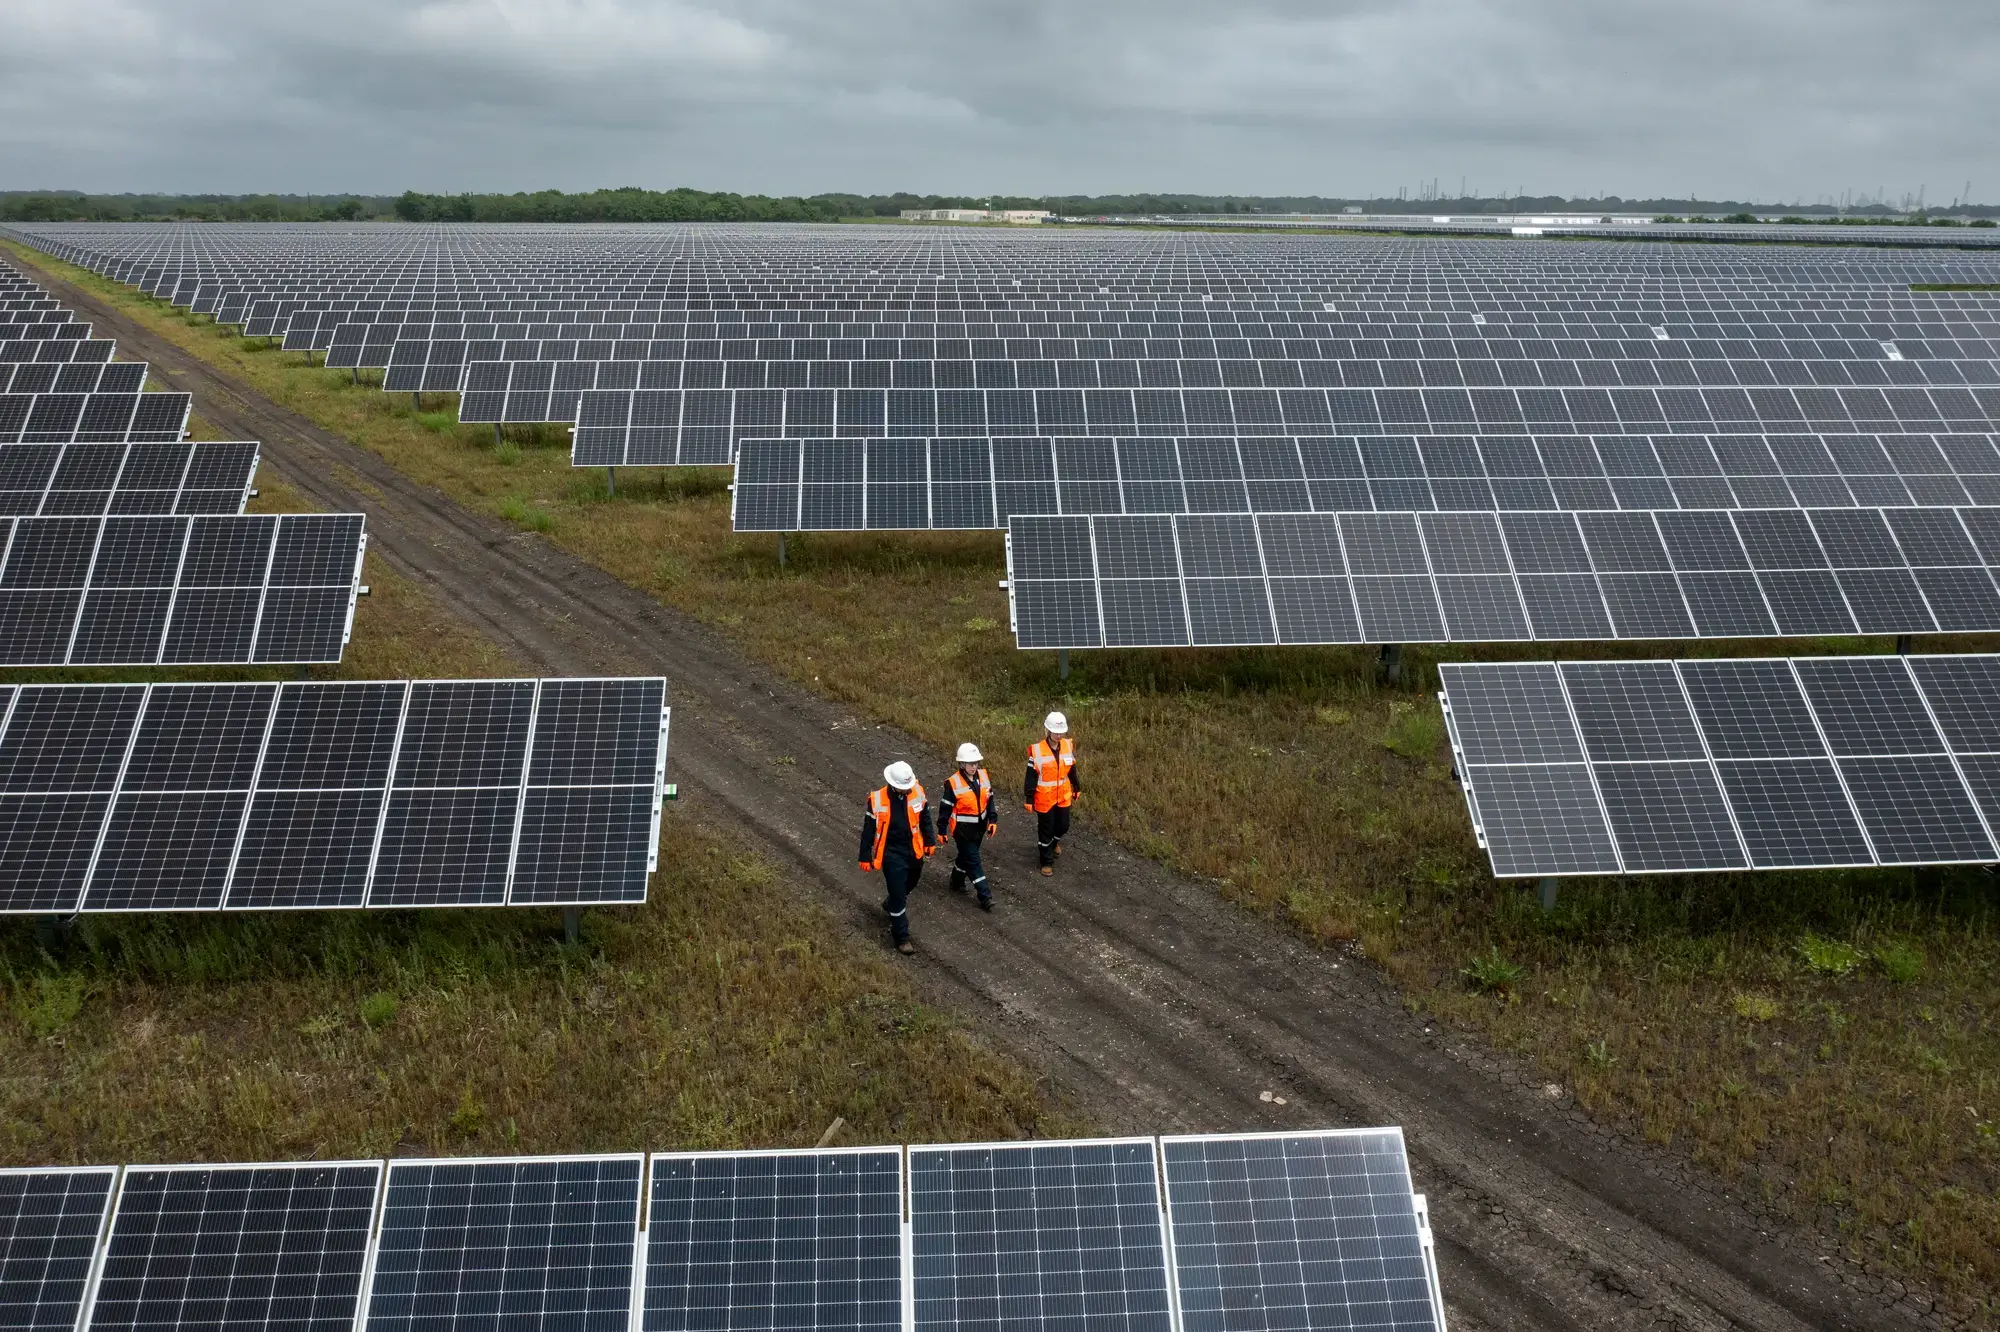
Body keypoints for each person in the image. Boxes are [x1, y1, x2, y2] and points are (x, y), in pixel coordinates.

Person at [858, 760, 937, 954]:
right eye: (903, 788)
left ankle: (891, 903)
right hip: (891, 853)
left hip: (913, 850)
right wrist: (865, 855)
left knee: (912, 881)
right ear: (893, 785)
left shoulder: (917, 791)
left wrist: (930, 841)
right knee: (898, 893)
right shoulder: (876, 800)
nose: (907, 791)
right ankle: (901, 937)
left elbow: (925, 818)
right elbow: (868, 830)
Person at [944, 742, 999, 910]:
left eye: (976, 763)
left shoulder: (983, 776)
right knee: (974, 862)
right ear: (962, 764)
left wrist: (993, 820)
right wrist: (941, 830)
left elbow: (989, 800)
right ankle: (985, 897)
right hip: (962, 832)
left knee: (966, 857)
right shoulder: (953, 783)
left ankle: (956, 880)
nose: (974, 767)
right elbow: (945, 808)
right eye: (970, 764)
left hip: (979, 829)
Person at [1023, 711, 1079, 876]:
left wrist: (1077, 787)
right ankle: (1046, 861)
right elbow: (1031, 777)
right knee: (1046, 830)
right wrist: (1029, 797)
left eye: (1061, 732)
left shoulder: (1068, 746)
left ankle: (1053, 843)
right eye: (1055, 732)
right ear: (1048, 730)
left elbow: (1072, 768)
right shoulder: (1037, 750)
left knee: (1063, 825)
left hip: (1063, 795)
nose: (1058, 735)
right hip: (1044, 797)